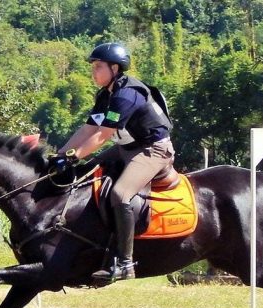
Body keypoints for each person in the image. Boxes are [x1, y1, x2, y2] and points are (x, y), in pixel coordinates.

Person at [57, 42, 175, 282]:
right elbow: (89, 128)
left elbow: (102, 136)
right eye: (93, 67)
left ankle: (125, 263)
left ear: (115, 68)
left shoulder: (126, 94)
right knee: (86, 173)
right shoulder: (106, 94)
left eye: (98, 67)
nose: (93, 72)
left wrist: (73, 156)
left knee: (120, 194)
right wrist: (60, 155)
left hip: (154, 150)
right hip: (127, 149)